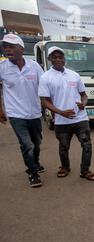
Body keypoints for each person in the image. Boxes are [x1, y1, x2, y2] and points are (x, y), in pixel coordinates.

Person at [38, 46, 94, 181]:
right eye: (55, 57)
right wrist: (61, 112)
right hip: (62, 121)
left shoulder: (74, 75)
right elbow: (44, 101)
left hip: (80, 119)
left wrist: (83, 103)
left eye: (61, 57)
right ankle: (65, 167)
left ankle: (85, 170)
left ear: (64, 59)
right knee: (64, 146)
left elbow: (84, 95)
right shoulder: (45, 78)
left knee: (87, 145)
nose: (58, 59)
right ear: (50, 59)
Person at [0, 34, 44, 188]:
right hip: (15, 114)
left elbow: (44, 87)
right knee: (27, 144)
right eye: (5, 47)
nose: (7, 49)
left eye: (11, 46)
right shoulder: (2, 68)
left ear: (21, 48)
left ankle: (35, 162)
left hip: (35, 113)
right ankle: (33, 173)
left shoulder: (34, 66)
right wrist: (1, 110)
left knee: (37, 143)